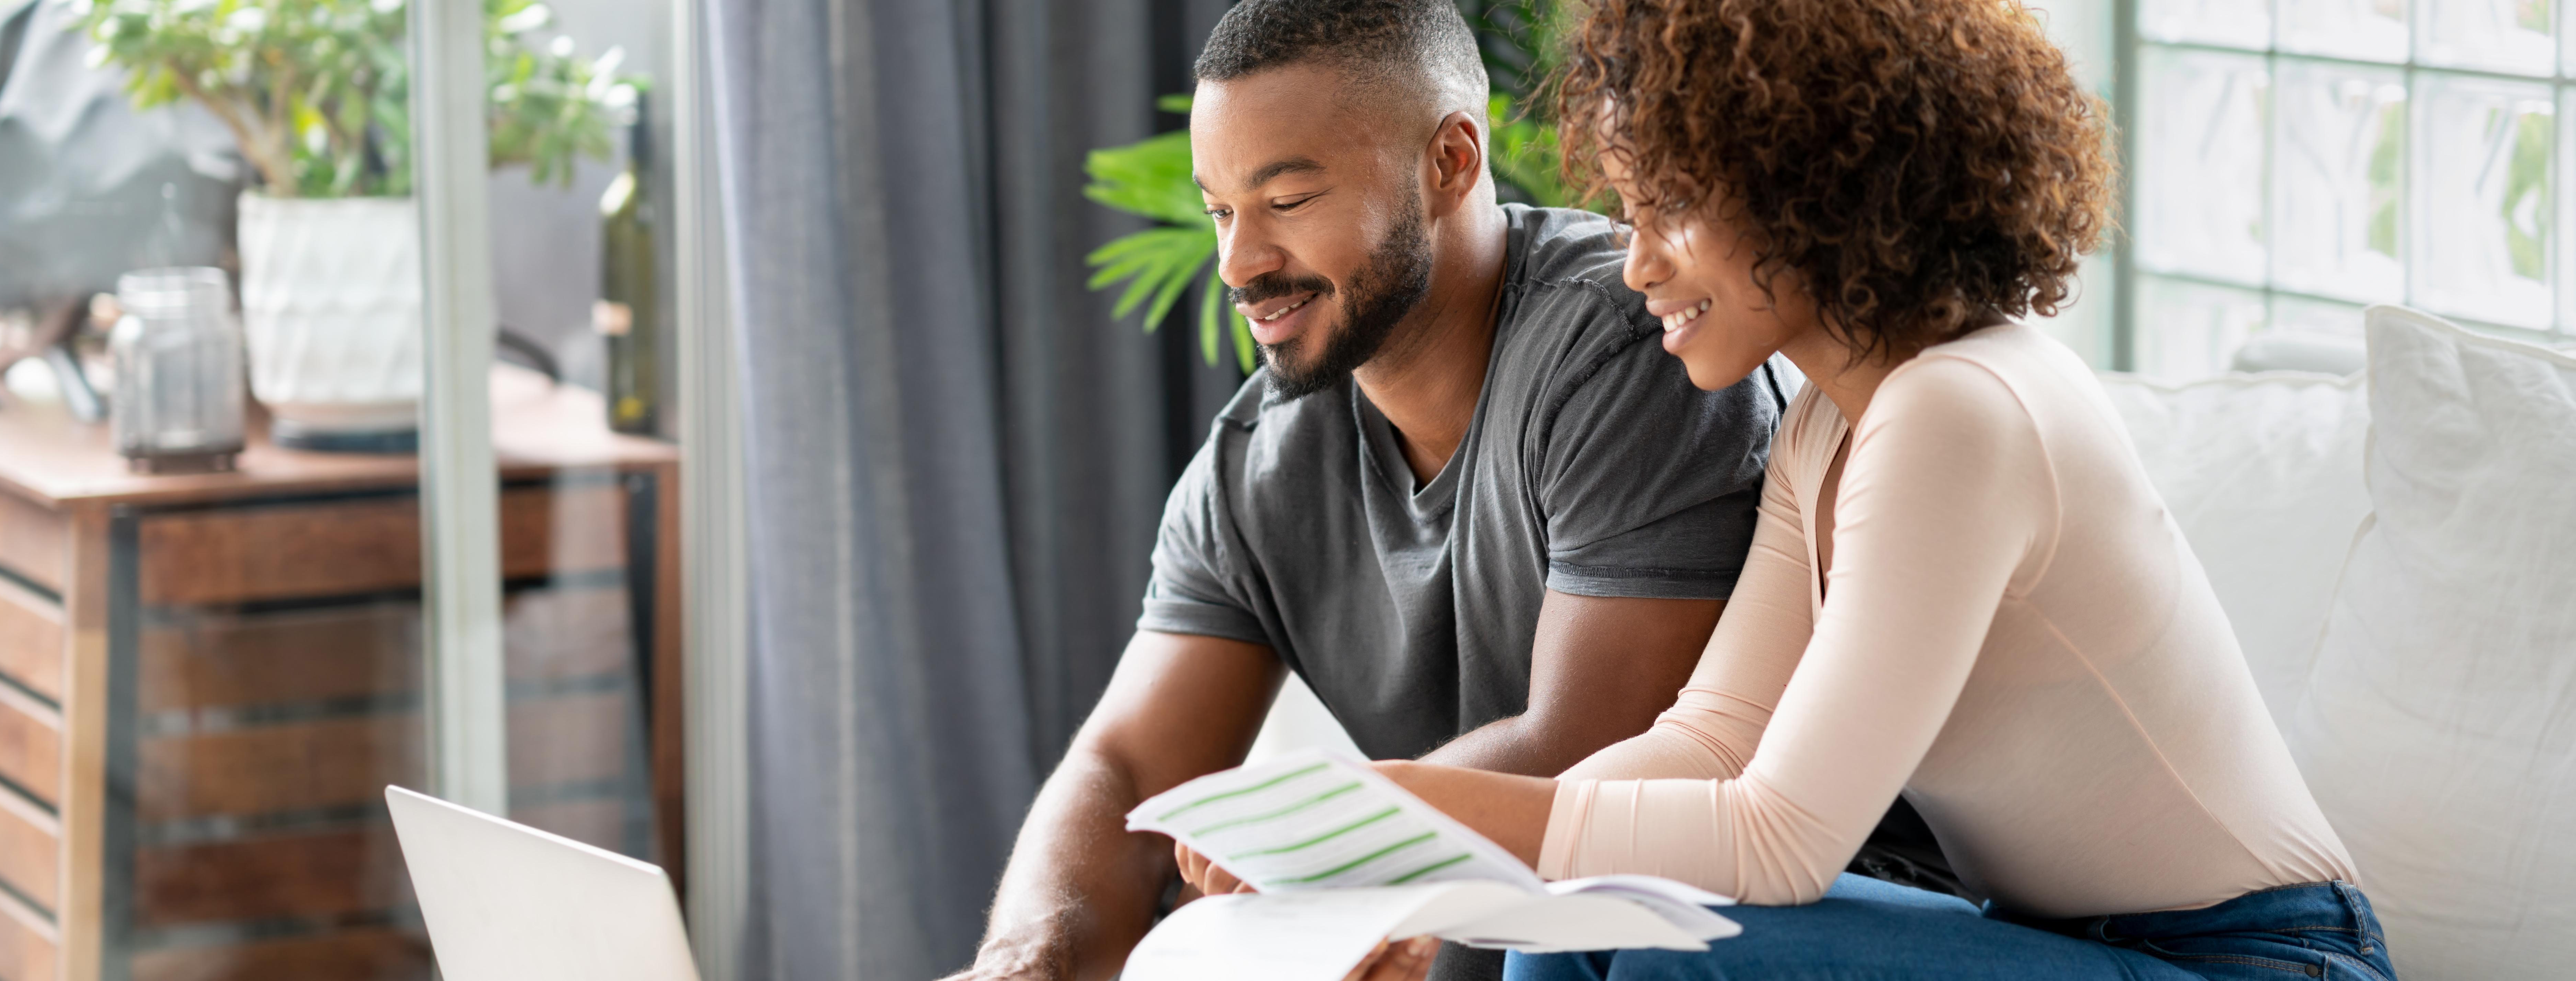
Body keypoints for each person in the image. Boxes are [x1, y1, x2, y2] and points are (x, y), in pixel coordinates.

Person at [1180, 0, 2399, 979]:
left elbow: (1780, 839)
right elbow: (1707, 739)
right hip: (2068, 945)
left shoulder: (1958, 412)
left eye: (1670, 212)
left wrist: (1402, 814)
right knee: (1573, 913)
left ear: (1808, 182)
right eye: (1629, 214)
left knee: (1679, 954)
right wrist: (1449, 880)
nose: (1636, 264)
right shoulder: (1829, 420)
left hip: (2256, 958)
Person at [943, 2, 1962, 980]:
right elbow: (1127, 768)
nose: (1238, 263)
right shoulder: (1256, 464)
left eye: (1287, 202)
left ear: (1451, 161)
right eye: (1221, 211)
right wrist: (1025, 957)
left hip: (1769, 930)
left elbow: (1594, 750)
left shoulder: (1636, 347)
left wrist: (1337, 849)